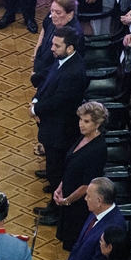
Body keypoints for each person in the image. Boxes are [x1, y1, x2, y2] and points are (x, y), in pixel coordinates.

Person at [32, 27, 88, 203]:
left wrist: (35, 109)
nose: (52, 48)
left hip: (61, 129)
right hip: (52, 122)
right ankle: (51, 179)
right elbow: (47, 82)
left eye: (57, 45)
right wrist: (35, 100)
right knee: (52, 163)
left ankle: (56, 207)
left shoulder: (74, 72)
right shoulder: (62, 59)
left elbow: (58, 101)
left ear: (70, 48)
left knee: (57, 167)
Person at [49, 102, 107, 234]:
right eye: (80, 119)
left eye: (86, 121)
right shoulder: (83, 136)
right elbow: (70, 165)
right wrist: (61, 187)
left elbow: (87, 186)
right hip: (68, 193)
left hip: (79, 204)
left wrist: (67, 201)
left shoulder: (98, 150)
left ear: (97, 124)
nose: (81, 124)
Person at [32, 0, 79, 90]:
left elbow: (59, 65)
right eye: (52, 11)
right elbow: (44, 43)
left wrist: (38, 76)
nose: (53, 15)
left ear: (70, 14)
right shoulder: (55, 22)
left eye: (58, 12)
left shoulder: (73, 34)